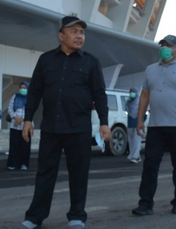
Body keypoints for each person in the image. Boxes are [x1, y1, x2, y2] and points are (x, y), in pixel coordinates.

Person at [17, 16, 110, 229]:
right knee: (45, 173)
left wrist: (104, 122)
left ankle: (77, 216)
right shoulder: (46, 60)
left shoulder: (90, 61)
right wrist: (28, 119)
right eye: (74, 31)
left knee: (78, 173)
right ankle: (34, 217)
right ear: (61, 35)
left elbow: (99, 93)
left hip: (78, 128)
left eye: (82, 32)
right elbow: (35, 92)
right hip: (51, 127)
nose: (79, 36)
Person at [132, 35, 176, 216]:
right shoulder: (150, 69)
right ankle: (145, 203)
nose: (164, 49)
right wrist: (140, 120)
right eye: (162, 45)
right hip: (155, 125)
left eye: (169, 46)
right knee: (150, 165)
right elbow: (145, 96)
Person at [7, 82, 31, 170]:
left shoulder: (30, 98)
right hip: (15, 125)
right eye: (21, 87)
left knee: (25, 146)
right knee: (14, 145)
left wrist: (23, 119)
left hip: (26, 125)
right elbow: (10, 108)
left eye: (24, 88)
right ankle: (13, 163)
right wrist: (14, 117)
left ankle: (24, 164)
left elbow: (31, 110)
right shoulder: (15, 97)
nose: (22, 89)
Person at [126, 87, 142, 163]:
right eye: (130, 91)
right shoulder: (128, 102)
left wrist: (141, 121)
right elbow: (127, 111)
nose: (131, 93)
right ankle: (134, 155)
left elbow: (144, 112)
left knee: (137, 140)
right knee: (131, 140)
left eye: (133, 92)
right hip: (130, 123)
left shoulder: (140, 101)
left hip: (138, 123)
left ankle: (135, 157)